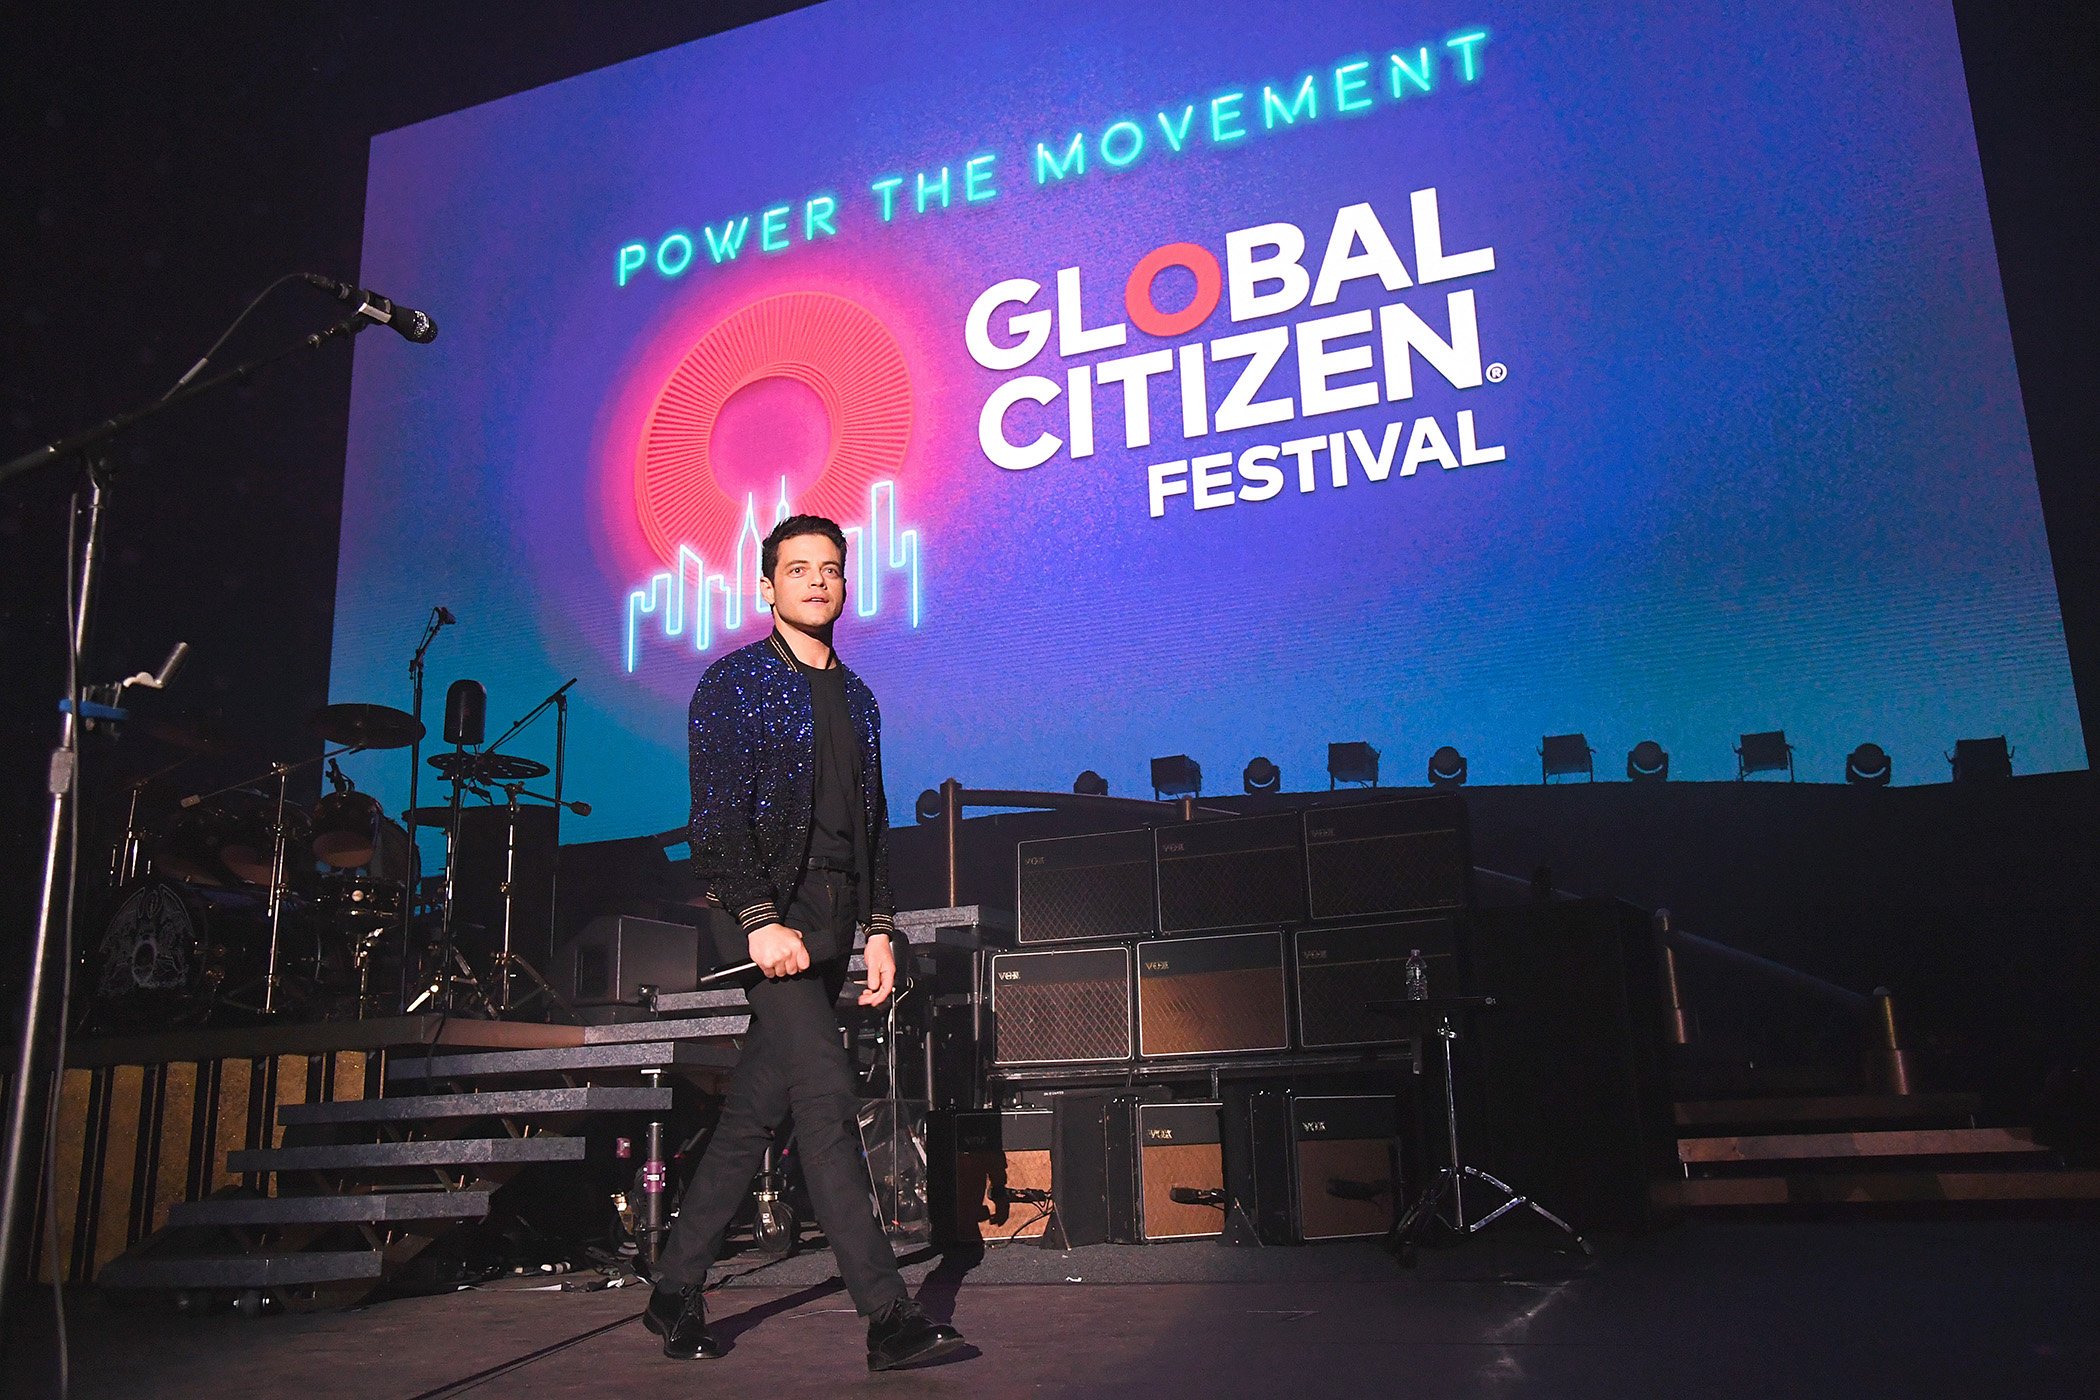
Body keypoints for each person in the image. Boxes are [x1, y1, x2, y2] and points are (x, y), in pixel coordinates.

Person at [644, 513, 965, 1372]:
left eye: (830, 568)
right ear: (767, 586)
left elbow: (872, 828)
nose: (816, 580)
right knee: (826, 1102)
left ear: (846, 583)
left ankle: (673, 1288)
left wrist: (882, 931)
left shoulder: (858, 698)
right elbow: (714, 824)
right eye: (797, 569)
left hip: (832, 916)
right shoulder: (734, 683)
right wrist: (758, 921)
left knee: (756, 1110)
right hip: (768, 919)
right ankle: (888, 1316)